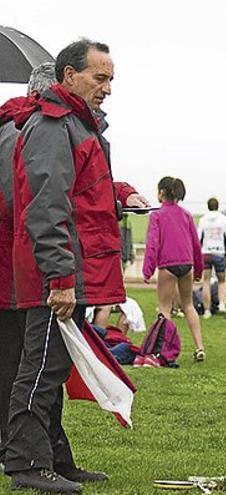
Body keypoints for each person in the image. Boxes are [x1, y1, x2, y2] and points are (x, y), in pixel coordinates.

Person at [7, 39, 149, 492]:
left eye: (110, 80)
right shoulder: (52, 127)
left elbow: (83, 196)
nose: (107, 88)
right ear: (69, 76)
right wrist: (61, 279)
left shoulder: (78, 127)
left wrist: (121, 194)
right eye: (99, 77)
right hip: (56, 275)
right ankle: (25, 463)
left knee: (53, 366)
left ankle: (54, 458)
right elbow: (46, 207)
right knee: (39, 367)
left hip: (74, 270)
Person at [0, 62, 56, 478]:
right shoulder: (20, 131)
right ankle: (17, 450)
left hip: (12, 265)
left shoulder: (14, 128)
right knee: (19, 363)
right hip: (13, 268)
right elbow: (21, 200)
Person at [142, 177, 206, 362]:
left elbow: (152, 244)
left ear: (161, 192)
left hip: (168, 265)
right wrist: (199, 270)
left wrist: (147, 270)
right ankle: (199, 347)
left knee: (165, 308)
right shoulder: (186, 215)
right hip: (187, 264)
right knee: (188, 305)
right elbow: (195, 244)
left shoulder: (157, 215)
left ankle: (166, 350)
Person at [198, 197, 226, 318]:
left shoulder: (203, 220)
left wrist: (197, 255)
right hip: (219, 252)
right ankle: (221, 304)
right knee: (222, 281)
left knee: (206, 281)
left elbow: (199, 238)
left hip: (206, 252)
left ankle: (207, 310)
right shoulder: (225, 220)